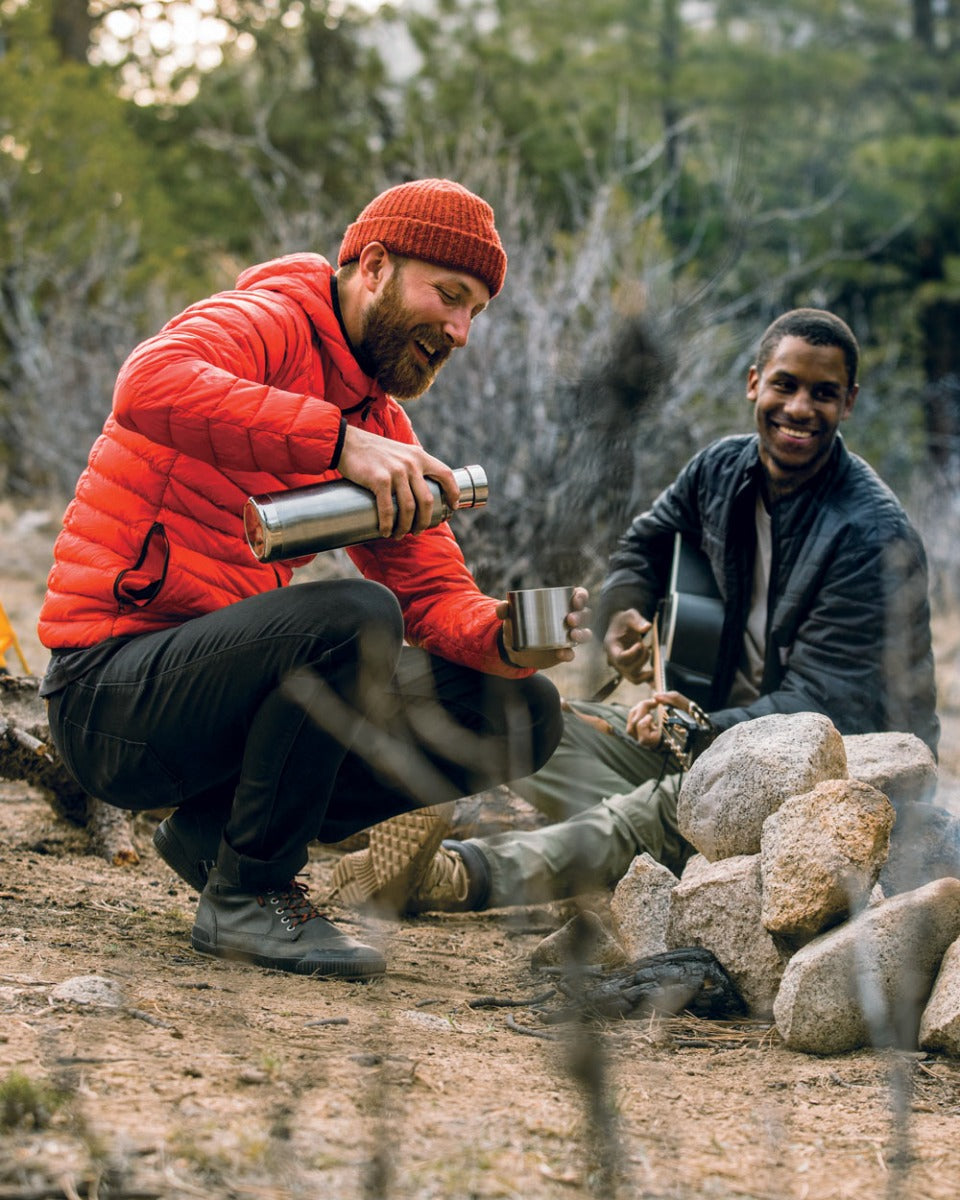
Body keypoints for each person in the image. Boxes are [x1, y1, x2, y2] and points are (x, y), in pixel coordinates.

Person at [36, 178, 591, 978]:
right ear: (373, 265)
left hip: (209, 710)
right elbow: (147, 384)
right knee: (354, 616)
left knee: (520, 711)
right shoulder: (266, 321)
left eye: (475, 310)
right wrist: (334, 444)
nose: (462, 331)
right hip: (109, 696)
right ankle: (248, 897)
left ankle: (221, 836)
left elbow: (434, 595)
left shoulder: (377, 420)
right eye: (450, 295)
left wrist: (501, 638)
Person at [333, 307, 941, 914]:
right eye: (786, 384)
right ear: (755, 382)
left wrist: (697, 724)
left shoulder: (870, 536)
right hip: (707, 736)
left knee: (658, 808)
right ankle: (664, 836)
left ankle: (456, 875)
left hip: (827, 784)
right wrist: (623, 611)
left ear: (850, 402)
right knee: (529, 716)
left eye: (824, 394)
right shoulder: (721, 470)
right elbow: (643, 547)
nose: (800, 409)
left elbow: (830, 708)